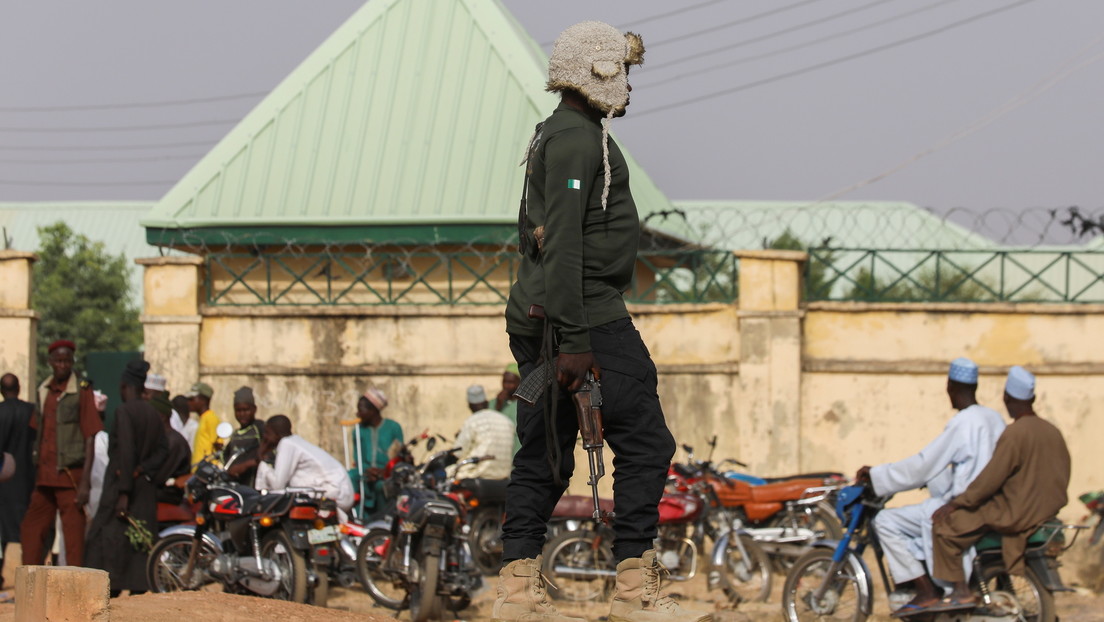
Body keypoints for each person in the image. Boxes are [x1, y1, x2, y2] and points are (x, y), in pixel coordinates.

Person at [496, 22, 703, 622]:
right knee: (646, 443)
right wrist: (577, 340)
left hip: (546, 319)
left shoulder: (557, 132)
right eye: (624, 72)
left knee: (545, 453)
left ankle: (515, 594)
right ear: (597, 71)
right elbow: (563, 243)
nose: (629, 86)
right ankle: (636, 592)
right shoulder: (578, 141)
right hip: (586, 318)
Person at [854, 357, 1005, 614]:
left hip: (962, 505)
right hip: (988, 502)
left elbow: (925, 464)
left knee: (885, 521)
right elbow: (970, 465)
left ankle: (926, 591)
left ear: (951, 387)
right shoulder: (993, 418)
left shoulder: (963, 422)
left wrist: (877, 474)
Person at [923, 367, 1071, 614]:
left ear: (1006, 398)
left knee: (945, 527)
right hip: (1045, 511)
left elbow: (990, 480)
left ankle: (960, 592)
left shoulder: (1015, 433)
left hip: (1017, 512)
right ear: (1033, 398)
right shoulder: (1052, 431)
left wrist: (956, 503)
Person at [85, 361, 167, 595]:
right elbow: (163, 451)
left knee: (107, 540)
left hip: (122, 490)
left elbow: (127, 450)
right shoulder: (153, 413)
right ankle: (136, 594)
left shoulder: (124, 412)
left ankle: (111, 592)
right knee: (137, 544)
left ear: (124, 386)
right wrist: (142, 470)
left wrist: (124, 491)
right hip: (143, 491)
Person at [22, 340, 101, 567]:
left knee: (73, 538)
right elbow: (36, 431)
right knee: (31, 530)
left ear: (72, 362)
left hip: (70, 477)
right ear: (50, 362)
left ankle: (75, 586)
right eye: (58, 361)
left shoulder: (81, 391)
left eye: (67, 361)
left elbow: (90, 436)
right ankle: (28, 580)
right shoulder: (44, 391)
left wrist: (85, 483)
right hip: (44, 477)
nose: (63, 365)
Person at [255, 415, 354, 515]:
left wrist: (261, 460)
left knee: (267, 474)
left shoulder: (286, 443)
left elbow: (278, 485)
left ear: (276, 434)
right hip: (342, 492)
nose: (265, 437)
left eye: (267, 433)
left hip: (335, 493)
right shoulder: (295, 442)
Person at [0, 373, 35, 586]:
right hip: (27, 480)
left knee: (1, 534)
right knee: (27, 531)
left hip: (3, 484)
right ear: (19, 388)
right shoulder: (31, 411)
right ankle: (28, 578)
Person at [347, 388, 403, 520]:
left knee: (380, 486)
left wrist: (384, 471)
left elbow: (398, 457)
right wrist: (368, 470)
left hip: (387, 473)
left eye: (361, 410)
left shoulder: (393, 427)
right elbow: (358, 458)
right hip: (365, 472)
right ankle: (356, 518)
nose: (358, 414)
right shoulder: (358, 430)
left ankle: (383, 520)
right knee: (350, 477)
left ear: (373, 410)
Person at [451, 385, 515, 480]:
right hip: (503, 476)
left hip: (476, 475)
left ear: (470, 406)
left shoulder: (472, 421)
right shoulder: (506, 421)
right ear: (486, 403)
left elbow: (457, 452)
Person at [149, 394, 191, 505]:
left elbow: (160, 476)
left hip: (168, 495)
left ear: (162, 416)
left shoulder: (174, 442)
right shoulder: (162, 438)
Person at [222, 386, 265, 485]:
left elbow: (268, 454)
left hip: (253, 485)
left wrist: (246, 465)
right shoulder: (236, 434)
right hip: (236, 485)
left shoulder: (260, 428)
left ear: (254, 409)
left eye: (246, 410)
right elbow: (226, 456)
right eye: (238, 410)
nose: (242, 414)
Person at [186, 382, 220, 467]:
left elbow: (218, 445)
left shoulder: (211, 418)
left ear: (203, 400)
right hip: (197, 469)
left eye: (192, 399)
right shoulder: (203, 418)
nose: (188, 402)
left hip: (206, 469)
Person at [493, 363, 523, 457]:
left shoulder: (523, 404)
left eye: (511, 382)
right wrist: (498, 406)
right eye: (504, 381)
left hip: (517, 452)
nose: (506, 386)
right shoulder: (493, 403)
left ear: (519, 382)